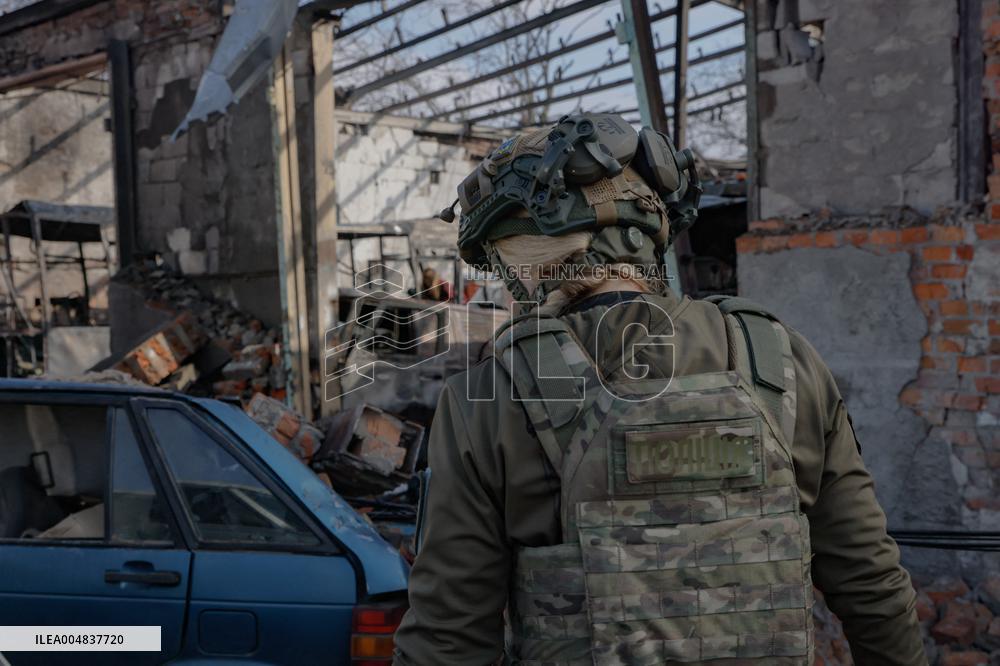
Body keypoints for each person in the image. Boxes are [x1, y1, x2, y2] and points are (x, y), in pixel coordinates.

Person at [393, 113, 926, 665]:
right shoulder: (781, 361)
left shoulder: (489, 398)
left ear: (529, 257)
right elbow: (873, 589)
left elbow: (448, 640)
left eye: (506, 263)